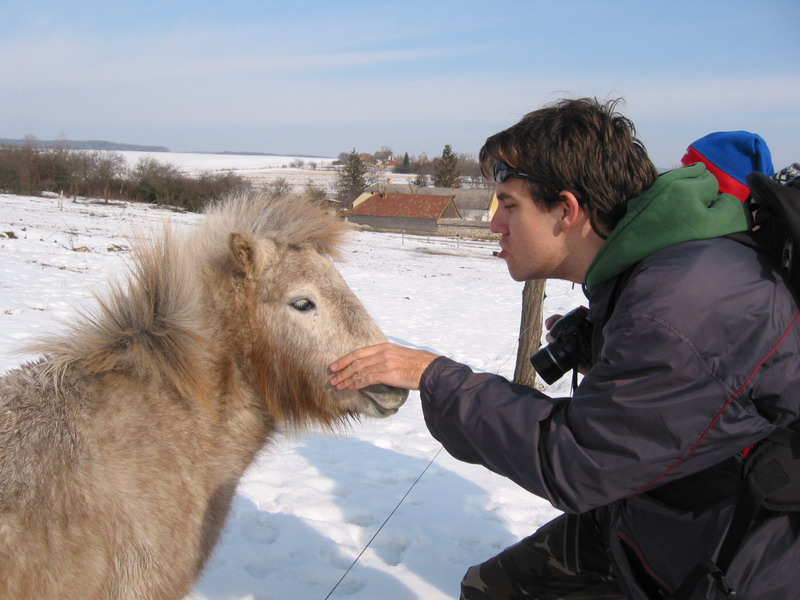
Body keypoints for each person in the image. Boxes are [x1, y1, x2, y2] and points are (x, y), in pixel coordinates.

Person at [329, 98, 800, 599]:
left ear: (568, 210)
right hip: (655, 519)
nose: (495, 224)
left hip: (729, 566)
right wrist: (602, 347)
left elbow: (579, 462)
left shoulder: (679, 306)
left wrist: (434, 374)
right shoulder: (659, 271)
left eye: (509, 204)